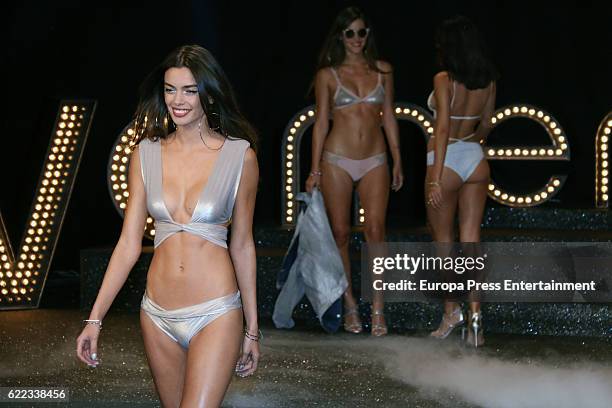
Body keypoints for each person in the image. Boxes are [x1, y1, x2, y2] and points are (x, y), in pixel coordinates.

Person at [76, 44, 260, 406]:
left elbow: (243, 245)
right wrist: (94, 319)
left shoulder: (240, 157)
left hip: (215, 312)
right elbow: (128, 244)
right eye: (170, 89)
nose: (178, 100)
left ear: (208, 93)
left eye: (190, 90)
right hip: (156, 315)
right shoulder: (145, 154)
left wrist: (252, 330)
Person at [306, 6, 404, 336]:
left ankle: (378, 308)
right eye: (350, 33)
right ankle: (350, 306)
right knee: (340, 233)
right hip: (336, 158)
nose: (357, 39)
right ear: (340, 37)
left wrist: (397, 159)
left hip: (375, 157)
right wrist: (313, 168)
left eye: (362, 32)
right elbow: (321, 121)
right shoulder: (327, 75)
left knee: (376, 232)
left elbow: (388, 115)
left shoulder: (383, 71)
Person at [425, 16, 498, 347]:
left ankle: (450, 313)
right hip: (475, 158)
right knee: (471, 240)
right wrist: (472, 140)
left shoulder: (444, 79)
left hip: (447, 159)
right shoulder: (488, 81)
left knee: (443, 241)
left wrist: (436, 179)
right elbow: (485, 126)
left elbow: (441, 128)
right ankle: (476, 321)